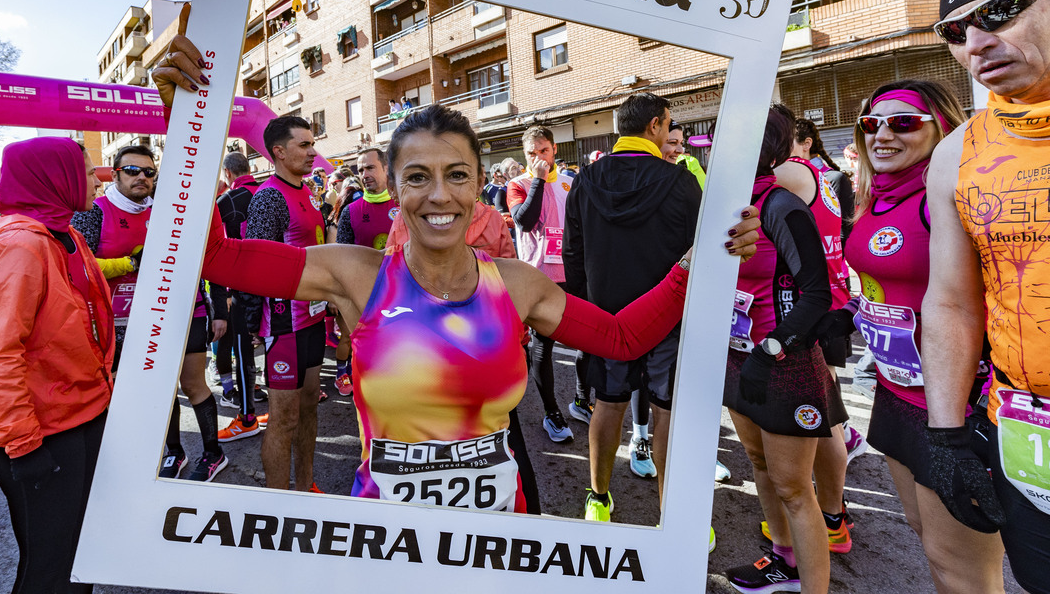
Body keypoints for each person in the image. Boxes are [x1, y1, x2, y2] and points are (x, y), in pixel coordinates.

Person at [152, 35, 760, 514]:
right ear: (392, 185)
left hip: (499, 541)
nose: (438, 195)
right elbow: (218, 259)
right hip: (387, 545)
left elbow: (623, 339)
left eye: (458, 175)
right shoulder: (353, 275)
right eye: (417, 176)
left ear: (478, 185)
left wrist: (699, 261)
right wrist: (190, 127)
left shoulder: (518, 285)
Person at [834, 80, 1006, 593]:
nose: (881, 135)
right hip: (894, 393)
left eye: (903, 123)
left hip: (954, 405)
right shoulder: (872, 195)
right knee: (927, 541)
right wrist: (849, 311)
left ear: (944, 129)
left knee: (967, 573)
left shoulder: (950, 197)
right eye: (871, 124)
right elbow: (882, 282)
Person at [923, 0, 1050, 594]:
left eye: (1000, 11)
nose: (975, 45)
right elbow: (950, 300)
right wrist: (945, 437)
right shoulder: (955, 155)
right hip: (1029, 443)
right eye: (956, 30)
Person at [0, 137, 111, 594]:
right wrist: (25, 445)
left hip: (81, 416)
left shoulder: (62, 232)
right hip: (43, 434)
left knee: (81, 558)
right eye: (88, 170)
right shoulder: (21, 246)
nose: (97, 178)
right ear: (55, 179)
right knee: (50, 574)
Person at [564, 94, 704, 528]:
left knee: (608, 404)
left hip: (606, 320)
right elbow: (699, 257)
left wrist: (588, 311)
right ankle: (670, 508)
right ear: (658, 125)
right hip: (668, 319)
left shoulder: (585, 181)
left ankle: (598, 498)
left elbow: (573, 254)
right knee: (666, 410)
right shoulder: (682, 182)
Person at [723, 104, 842, 594]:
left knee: (795, 488)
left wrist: (769, 348)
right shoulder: (728, 202)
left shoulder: (780, 204)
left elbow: (817, 293)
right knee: (760, 466)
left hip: (782, 360)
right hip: (738, 354)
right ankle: (783, 562)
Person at [72, 145, 230, 481]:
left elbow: (205, 259)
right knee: (159, 388)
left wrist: (219, 307)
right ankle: (175, 452)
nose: (142, 177)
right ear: (114, 173)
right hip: (124, 319)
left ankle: (214, 453)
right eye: (132, 171)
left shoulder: (167, 211)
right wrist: (131, 263)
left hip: (183, 312)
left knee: (193, 383)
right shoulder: (94, 212)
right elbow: (77, 268)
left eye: (148, 172)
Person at [242, 115, 327, 492]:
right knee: (284, 419)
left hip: (313, 317)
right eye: (304, 145)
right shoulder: (269, 197)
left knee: (309, 408)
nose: (313, 152)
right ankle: (277, 502)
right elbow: (254, 265)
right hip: (283, 325)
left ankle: (305, 486)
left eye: (313, 143)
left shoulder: (307, 191)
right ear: (278, 152)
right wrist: (251, 323)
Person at [509, 125, 592, 442]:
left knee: (586, 341)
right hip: (538, 277)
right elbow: (525, 221)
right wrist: (539, 181)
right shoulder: (519, 184)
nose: (538, 158)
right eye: (532, 153)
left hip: (572, 275)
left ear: (554, 149)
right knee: (543, 345)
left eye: (543, 151)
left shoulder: (571, 181)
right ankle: (551, 413)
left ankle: (581, 400)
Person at [334, 148, 396, 395]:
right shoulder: (351, 211)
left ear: (386, 169)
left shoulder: (405, 205)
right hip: (362, 298)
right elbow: (341, 258)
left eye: (370, 167)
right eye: (360, 170)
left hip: (401, 296)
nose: (364, 174)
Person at [213, 152, 266, 441]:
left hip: (243, 289)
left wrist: (222, 299)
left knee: (243, 349)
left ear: (228, 173)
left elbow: (217, 254)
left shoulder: (226, 202)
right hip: (283, 286)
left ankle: (247, 416)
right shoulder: (271, 192)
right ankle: (278, 407)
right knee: (276, 346)